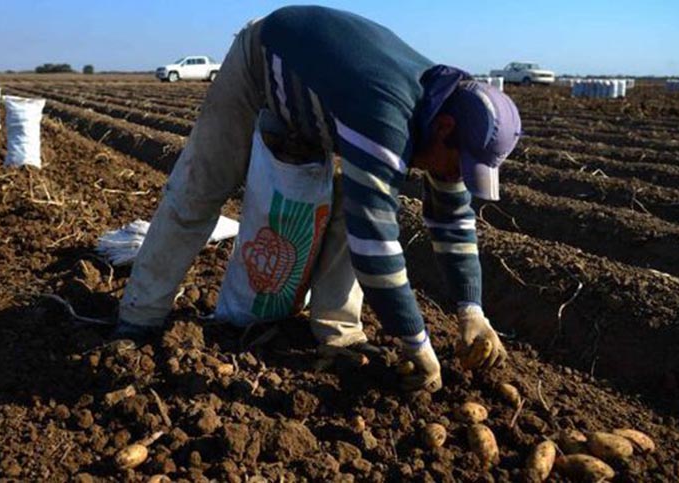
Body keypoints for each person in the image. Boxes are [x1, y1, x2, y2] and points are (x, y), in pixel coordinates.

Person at [113, 6, 521, 392]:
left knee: (354, 203)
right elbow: (374, 242)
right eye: (458, 165)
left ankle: (338, 332)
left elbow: (452, 216)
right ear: (445, 128)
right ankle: (139, 316)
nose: (455, 177)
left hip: (321, 91)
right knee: (200, 189)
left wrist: (472, 310)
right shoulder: (386, 113)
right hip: (263, 60)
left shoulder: (444, 114)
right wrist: (416, 342)